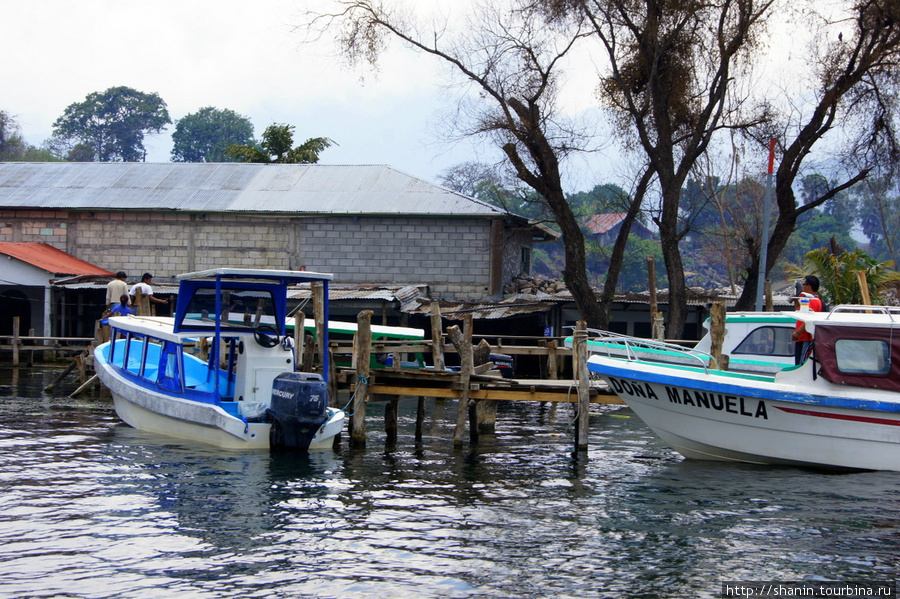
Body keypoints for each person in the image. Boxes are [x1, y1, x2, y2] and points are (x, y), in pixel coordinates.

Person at [791, 275, 823, 364]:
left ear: (808, 287)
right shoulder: (807, 299)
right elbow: (799, 309)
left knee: (802, 362)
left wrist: (798, 332)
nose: (802, 286)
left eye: (804, 284)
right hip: (801, 338)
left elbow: (809, 319)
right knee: (798, 361)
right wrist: (796, 299)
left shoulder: (814, 301)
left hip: (806, 337)